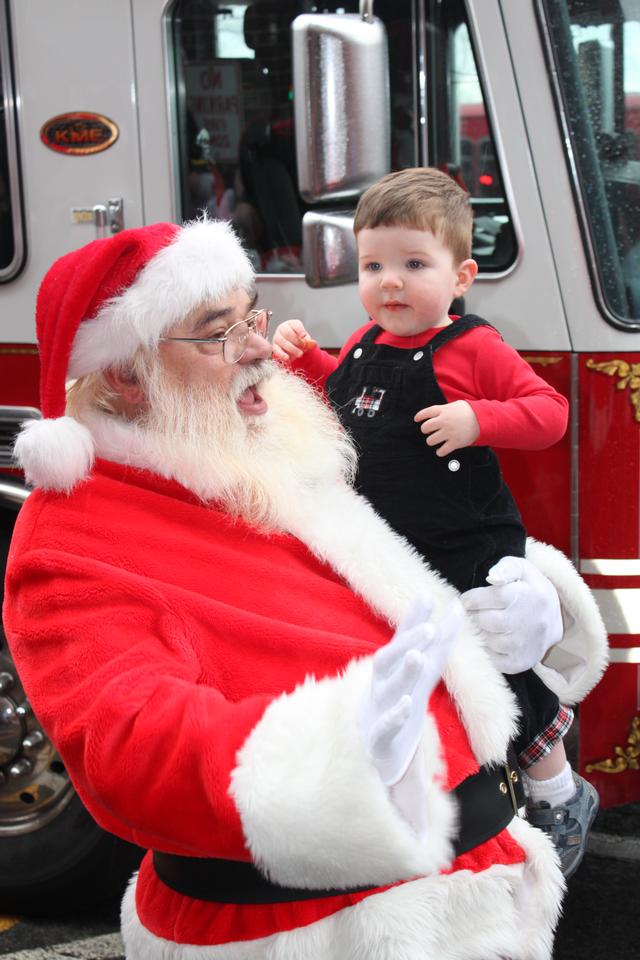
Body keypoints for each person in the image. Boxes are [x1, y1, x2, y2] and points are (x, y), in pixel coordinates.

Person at [3, 219, 607, 960]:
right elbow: (126, 744)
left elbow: (378, 586)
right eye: (218, 333)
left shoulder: (244, 447)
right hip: (321, 936)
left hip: (466, 901)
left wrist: (514, 596)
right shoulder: (75, 538)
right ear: (126, 377)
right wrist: (340, 750)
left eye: (249, 315)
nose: (261, 348)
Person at [272, 167, 598, 877]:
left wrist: (479, 417)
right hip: (395, 544)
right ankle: (469, 804)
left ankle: (561, 794)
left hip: (467, 543)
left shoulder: (473, 347)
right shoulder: (364, 343)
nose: (390, 282)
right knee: (422, 672)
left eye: (414, 264)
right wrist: (305, 362)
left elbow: (549, 413)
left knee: (502, 665)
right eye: (373, 265)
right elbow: (344, 400)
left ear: (461, 276)